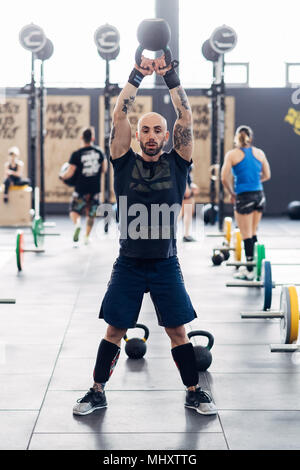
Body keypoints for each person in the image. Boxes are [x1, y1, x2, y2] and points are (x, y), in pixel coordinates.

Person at [73, 55, 217, 417]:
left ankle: (194, 391)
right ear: (137, 135)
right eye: (146, 130)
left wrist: (171, 77)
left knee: (178, 332)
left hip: (166, 264)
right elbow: (119, 115)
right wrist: (137, 74)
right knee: (114, 330)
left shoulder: (178, 161)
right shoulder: (122, 160)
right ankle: (96, 391)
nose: (152, 135)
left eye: (157, 130)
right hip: (130, 263)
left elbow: (186, 116)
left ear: (166, 136)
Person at [221, 125, 271, 280]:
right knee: (253, 232)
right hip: (259, 195)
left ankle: (249, 270)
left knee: (246, 235)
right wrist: (255, 181)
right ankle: (255, 267)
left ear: (236, 137)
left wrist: (232, 193)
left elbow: (223, 178)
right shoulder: (260, 153)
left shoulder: (232, 154)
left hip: (244, 197)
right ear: (251, 137)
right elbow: (267, 175)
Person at [60, 127, 107, 245]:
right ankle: (86, 236)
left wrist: (62, 176)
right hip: (95, 188)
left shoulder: (76, 154)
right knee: (91, 213)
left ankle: (77, 225)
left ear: (81, 138)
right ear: (93, 138)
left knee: (74, 210)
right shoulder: (99, 152)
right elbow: (104, 169)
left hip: (81, 188)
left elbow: (69, 173)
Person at [178, 165, 199, 242]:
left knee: (181, 213)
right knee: (185, 213)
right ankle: (186, 235)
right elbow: (183, 176)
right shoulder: (181, 160)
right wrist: (187, 190)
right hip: (184, 191)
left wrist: (191, 186)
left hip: (184, 188)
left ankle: (186, 234)